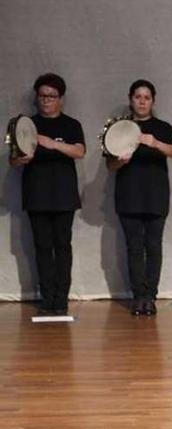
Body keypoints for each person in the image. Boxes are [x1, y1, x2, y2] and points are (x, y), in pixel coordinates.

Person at [9, 73, 85, 315]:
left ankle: (61, 297)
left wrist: (51, 143)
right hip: (36, 195)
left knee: (62, 246)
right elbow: (13, 160)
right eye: (42, 96)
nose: (46, 100)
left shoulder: (71, 124)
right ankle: (47, 296)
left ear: (60, 99)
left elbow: (79, 152)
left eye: (51, 96)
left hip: (64, 196)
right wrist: (21, 159)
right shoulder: (26, 124)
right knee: (41, 247)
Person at [106, 79, 172, 316]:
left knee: (154, 246)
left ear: (153, 101)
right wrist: (121, 160)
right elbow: (110, 165)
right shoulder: (119, 127)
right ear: (131, 99)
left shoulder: (163, 127)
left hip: (156, 197)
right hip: (128, 197)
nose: (142, 101)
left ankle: (151, 296)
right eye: (138, 97)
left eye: (146, 97)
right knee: (134, 248)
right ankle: (138, 296)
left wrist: (155, 142)